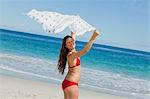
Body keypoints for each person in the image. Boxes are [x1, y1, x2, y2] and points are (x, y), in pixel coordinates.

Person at [57, 29, 100, 99]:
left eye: (72, 41)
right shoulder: (71, 55)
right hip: (71, 84)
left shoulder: (73, 50)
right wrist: (94, 36)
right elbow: (85, 50)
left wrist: (73, 30)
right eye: (68, 43)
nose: (71, 43)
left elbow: (73, 38)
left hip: (68, 83)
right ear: (65, 46)